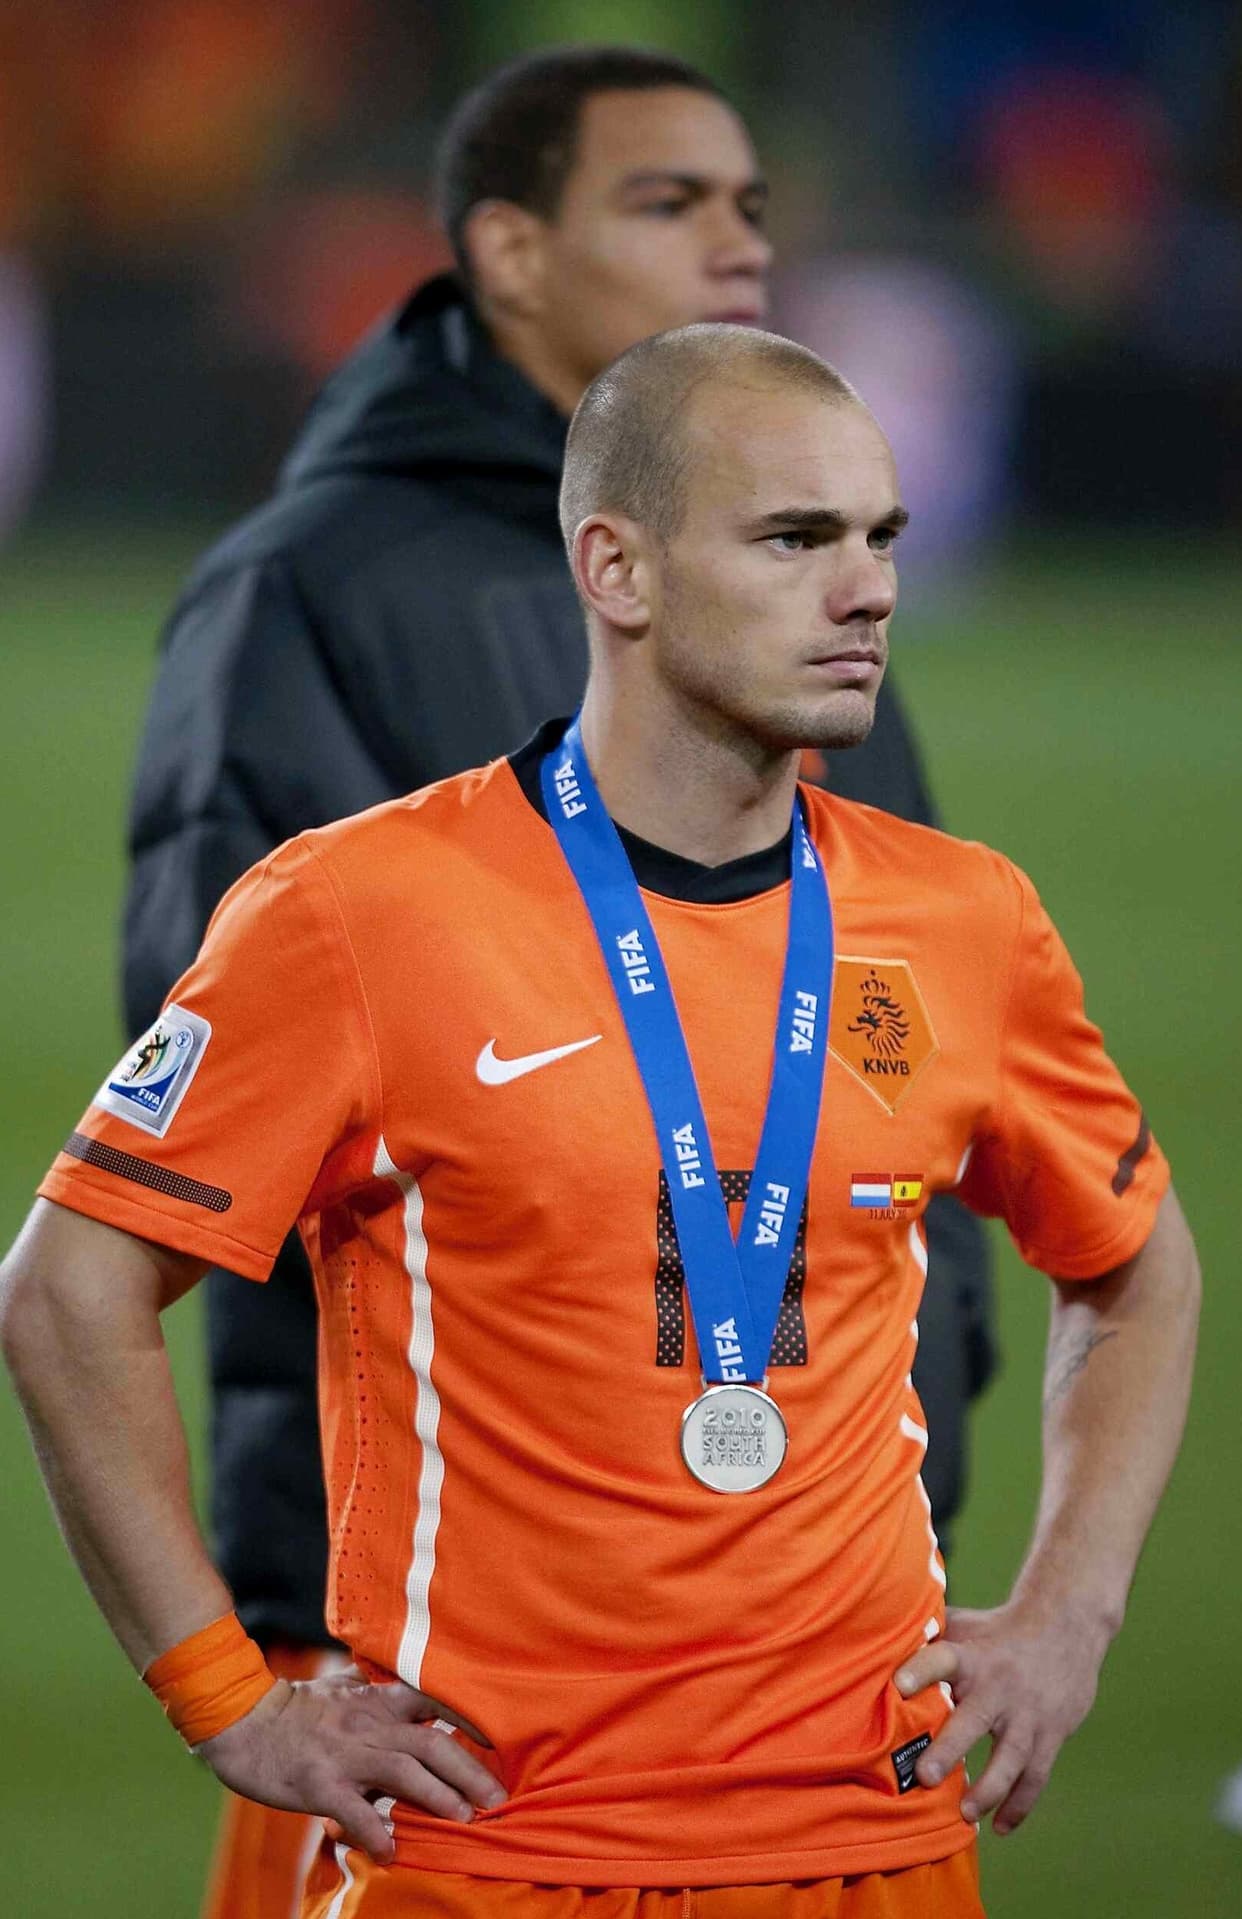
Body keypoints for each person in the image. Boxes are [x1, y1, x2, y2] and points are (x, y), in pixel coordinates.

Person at [3, 324, 1198, 1919]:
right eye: (794, 539)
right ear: (616, 570)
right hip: (501, 1856)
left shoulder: (961, 918)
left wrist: (1071, 1612)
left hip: (881, 1851)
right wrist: (230, 1697)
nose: (869, 591)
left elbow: (1135, 1265)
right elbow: (71, 1290)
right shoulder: (359, 911)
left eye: (880, 537)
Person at [123, 44, 994, 1915]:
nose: (739, 244)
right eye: (669, 201)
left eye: (755, 204)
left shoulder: (792, 587)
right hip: (433, 1648)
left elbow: (900, 1023)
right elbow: (210, 1130)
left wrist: (936, 1380)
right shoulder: (318, 582)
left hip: (809, 1630)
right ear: (507, 251)